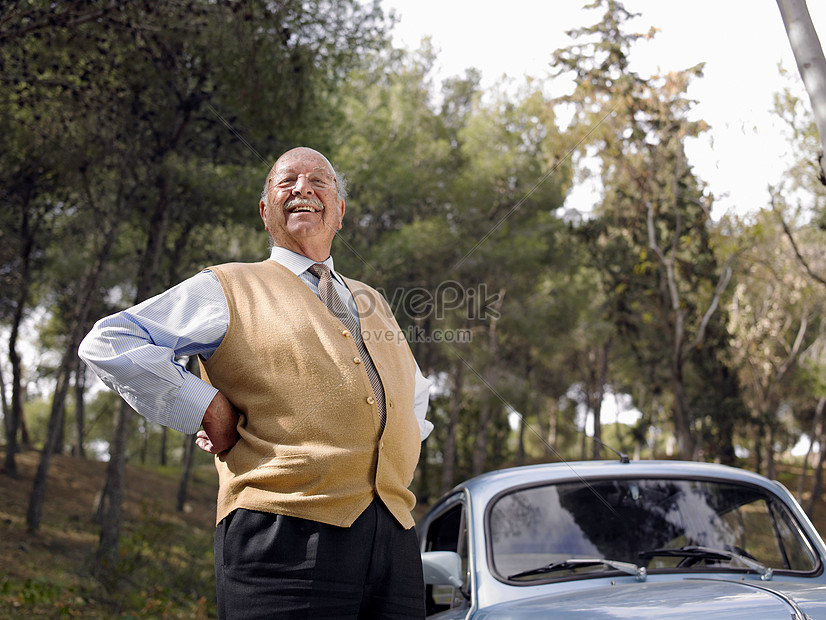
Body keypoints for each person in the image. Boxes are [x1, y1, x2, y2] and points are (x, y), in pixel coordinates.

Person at [79, 146, 433, 619]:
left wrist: (391, 456)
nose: (303, 188)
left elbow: (415, 396)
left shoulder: (373, 301)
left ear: (340, 212)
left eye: (318, 181)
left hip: (394, 544)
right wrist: (204, 405)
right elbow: (110, 341)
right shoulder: (226, 286)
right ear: (266, 212)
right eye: (286, 182)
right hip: (282, 538)